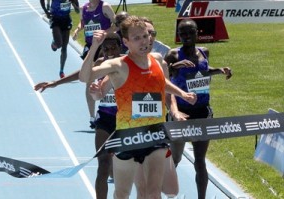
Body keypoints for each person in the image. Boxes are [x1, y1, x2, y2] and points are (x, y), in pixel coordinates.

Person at [79, 16, 197, 199]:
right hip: (128, 139)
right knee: (122, 193)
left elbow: (160, 81)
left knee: (153, 192)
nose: (144, 41)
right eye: (137, 38)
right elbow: (84, 77)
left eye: (145, 36)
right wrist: (94, 46)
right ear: (126, 42)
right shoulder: (118, 65)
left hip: (154, 135)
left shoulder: (157, 59)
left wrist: (182, 94)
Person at [34, 32, 122, 199]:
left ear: (121, 47)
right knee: (103, 164)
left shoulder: (126, 63)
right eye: (106, 48)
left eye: (113, 47)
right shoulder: (100, 63)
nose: (109, 51)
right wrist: (55, 83)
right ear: (101, 49)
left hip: (125, 121)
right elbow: (83, 73)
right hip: (105, 119)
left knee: (123, 167)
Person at [164, 18, 232, 199]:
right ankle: (166, 194)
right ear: (178, 35)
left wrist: (219, 70)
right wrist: (173, 67)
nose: (186, 36)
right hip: (181, 113)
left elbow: (203, 70)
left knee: (200, 161)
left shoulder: (204, 51)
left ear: (197, 33)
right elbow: (161, 78)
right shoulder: (173, 54)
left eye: (190, 32)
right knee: (175, 159)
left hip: (202, 111)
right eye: (182, 33)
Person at [71, 0, 116, 128]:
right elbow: (83, 22)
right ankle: (92, 116)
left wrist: (105, 32)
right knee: (89, 81)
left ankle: (112, 110)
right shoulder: (84, 8)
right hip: (90, 48)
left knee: (109, 79)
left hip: (105, 48)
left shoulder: (105, 7)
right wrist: (78, 29)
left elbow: (116, 25)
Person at [40, 0, 80, 79]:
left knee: (64, 48)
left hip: (66, 20)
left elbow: (77, 11)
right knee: (59, 44)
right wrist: (46, 11)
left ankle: (61, 70)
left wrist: (74, 4)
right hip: (55, 19)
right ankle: (55, 42)